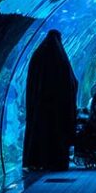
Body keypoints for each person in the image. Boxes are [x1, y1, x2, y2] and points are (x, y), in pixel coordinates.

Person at [22, 29, 78, 171]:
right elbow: (71, 82)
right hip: (58, 108)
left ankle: (36, 161)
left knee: (39, 131)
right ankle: (56, 162)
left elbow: (32, 83)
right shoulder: (61, 58)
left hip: (39, 106)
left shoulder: (37, 56)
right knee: (57, 134)